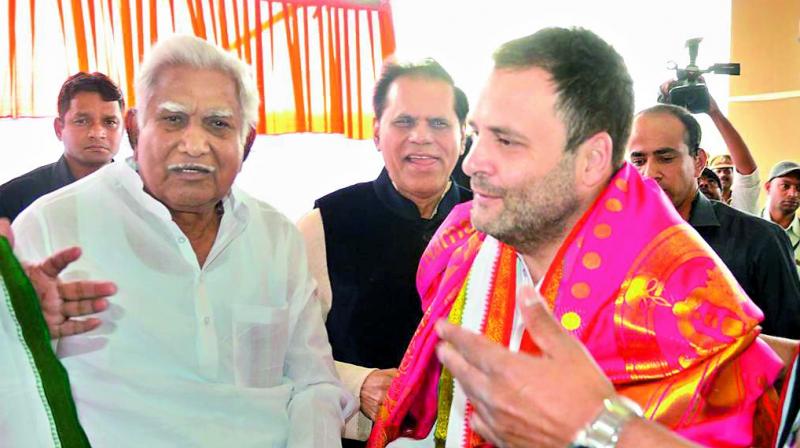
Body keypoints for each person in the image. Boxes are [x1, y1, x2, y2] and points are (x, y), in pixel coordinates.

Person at [368, 27, 782, 448]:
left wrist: (602, 429)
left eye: (506, 140)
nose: (472, 162)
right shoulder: (466, 250)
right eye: (477, 133)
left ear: (591, 160)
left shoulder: (685, 311)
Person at [9, 34, 353, 447]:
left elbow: (313, 382)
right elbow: (17, 396)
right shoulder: (52, 226)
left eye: (218, 123)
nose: (194, 144)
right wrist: (21, 333)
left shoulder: (277, 235)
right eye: (173, 119)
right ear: (136, 128)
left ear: (247, 141)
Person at [296, 58, 471, 445]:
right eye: (404, 122)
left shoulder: (493, 226)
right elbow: (280, 349)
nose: (421, 137)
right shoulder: (326, 224)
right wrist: (359, 384)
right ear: (377, 132)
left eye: (439, 123)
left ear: (463, 136)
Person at [628, 104, 800, 338]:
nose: (650, 173)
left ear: (699, 162)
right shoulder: (616, 243)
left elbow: (790, 346)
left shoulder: (760, 240)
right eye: (638, 161)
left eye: (666, 158)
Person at [0, 72, 125, 221]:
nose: (97, 133)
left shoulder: (142, 193)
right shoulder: (13, 199)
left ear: (123, 129)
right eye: (82, 121)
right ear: (59, 129)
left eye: (110, 122)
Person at [660, 79, 760, 214]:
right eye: (699, 181)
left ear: (725, 197)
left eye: (712, 181)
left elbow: (748, 176)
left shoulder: (737, 221)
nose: (704, 184)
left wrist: (714, 112)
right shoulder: (669, 225)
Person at [762, 160, 800, 273]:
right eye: (785, 186)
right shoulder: (747, 228)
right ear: (768, 188)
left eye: (799, 188)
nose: (793, 194)